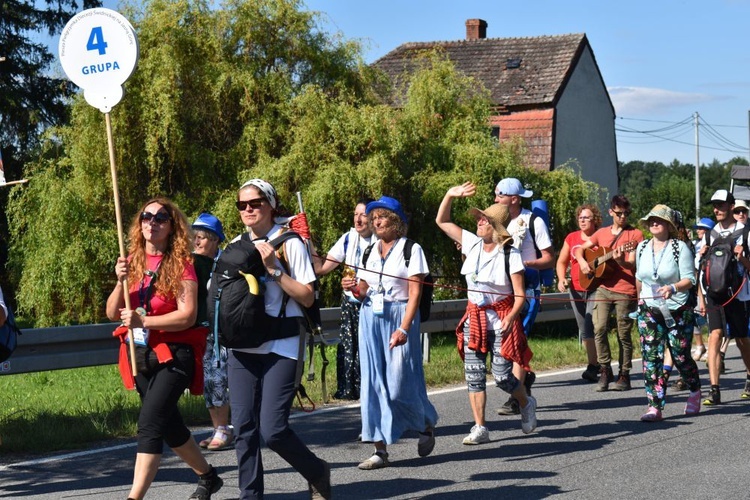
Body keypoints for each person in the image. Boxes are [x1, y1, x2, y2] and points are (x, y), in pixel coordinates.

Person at [106, 198, 223, 500]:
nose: (152, 222)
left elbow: (187, 314)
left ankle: (134, 497)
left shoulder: (182, 264)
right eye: (146, 216)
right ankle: (208, 477)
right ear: (139, 223)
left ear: (173, 227)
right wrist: (120, 282)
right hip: (142, 355)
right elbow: (110, 313)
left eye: (161, 217)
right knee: (170, 426)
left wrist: (144, 320)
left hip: (176, 353)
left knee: (149, 424)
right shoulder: (131, 261)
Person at [227, 179, 331, 499]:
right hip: (242, 345)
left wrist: (273, 269)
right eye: (241, 205)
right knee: (243, 429)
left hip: (282, 344)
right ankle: (251, 496)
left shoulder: (290, 243)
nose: (248, 210)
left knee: (272, 430)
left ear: (271, 205)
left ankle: (317, 472)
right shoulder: (235, 244)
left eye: (255, 203)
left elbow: (308, 297)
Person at [435, 182, 537, 445]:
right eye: (479, 219)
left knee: (503, 375)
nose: (479, 222)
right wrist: (449, 194)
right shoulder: (471, 243)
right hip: (475, 317)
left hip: (501, 317)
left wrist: (511, 317)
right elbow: (442, 221)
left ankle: (525, 402)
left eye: (484, 220)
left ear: (495, 226)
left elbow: (519, 295)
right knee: (473, 372)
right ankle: (480, 427)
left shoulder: (509, 254)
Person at [344, 195, 438, 470]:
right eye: (373, 218)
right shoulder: (369, 251)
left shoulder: (411, 249)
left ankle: (425, 423)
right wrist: (353, 287)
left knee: (399, 385)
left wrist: (404, 328)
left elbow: (415, 294)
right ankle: (379, 449)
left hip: (400, 316)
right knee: (372, 383)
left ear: (396, 221)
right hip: (370, 316)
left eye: (382, 217)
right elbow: (363, 290)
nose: (376, 222)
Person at [634, 205, 700, 421]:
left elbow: (690, 280)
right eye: (651, 219)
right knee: (651, 357)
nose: (654, 223)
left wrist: (672, 288)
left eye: (659, 220)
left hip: (677, 309)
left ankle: (694, 389)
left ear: (668, 226)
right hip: (649, 310)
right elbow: (640, 278)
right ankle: (655, 405)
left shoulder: (679, 248)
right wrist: (639, 301)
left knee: (680, 356)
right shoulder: (642, 247)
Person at [494, 177, 553, 415]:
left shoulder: (533, 221)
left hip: (526, 290)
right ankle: (524, 380)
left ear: (514, 199)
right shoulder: (494, 220)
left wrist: (526, 265)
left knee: (517, 340)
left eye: (500, 196)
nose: (495, 199)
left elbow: (549, 257)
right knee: (507, 342)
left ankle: (517, 398)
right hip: (501, 291)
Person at [574, 195, 644, 392]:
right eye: (619, 213)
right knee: (599, 327)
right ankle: (605, 369)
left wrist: (620, 260)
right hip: (603, 288)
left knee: (623, 333)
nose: (622, 217)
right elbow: (580, 250)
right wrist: (583, 264)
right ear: (611, 212)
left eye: (626, 214)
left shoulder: (635, 235)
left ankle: (624, 374)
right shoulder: (602, 233)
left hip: (625, 289)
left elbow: (631, 263)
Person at [313, 197, 377, 400]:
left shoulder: (381, 241)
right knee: (349, 348)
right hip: (350, 303)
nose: (358, 220)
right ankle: (349, 389)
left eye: (363, 215)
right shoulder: (348, 238)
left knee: (370, 349)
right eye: (355, 214)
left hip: (373, 303)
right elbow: (321, 268)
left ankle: (371, 389)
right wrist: (307, 241)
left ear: (373, 218)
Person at [697, 189, 750, 406]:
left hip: (738, 294)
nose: (716, 209)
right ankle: (714, 389)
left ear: (730, 206)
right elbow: (701, 270)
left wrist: (742, 258)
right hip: (714, 294)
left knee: (742, 340)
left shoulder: (745, 233)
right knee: (714, 336)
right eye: (714, 205)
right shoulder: (709, 235)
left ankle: (749, 377)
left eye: (721, 205)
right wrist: (701, 256)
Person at [191, 213, 234, 451]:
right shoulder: (193, 263)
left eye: (202, 238)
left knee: (218, 378)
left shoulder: (224, 263)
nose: (197, 242)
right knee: (209, 380)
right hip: (202, 331)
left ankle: (223, 429)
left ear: (216, 240)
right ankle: (218, 427)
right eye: (195, 237)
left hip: (221, 331)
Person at [556, 204, 602, 382]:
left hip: (596, 288)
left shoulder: (600, 236)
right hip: (575, 288)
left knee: (593, 325)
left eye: (586, 218)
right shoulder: (572, 237)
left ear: (595, 220)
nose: (582, 220)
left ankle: (598, 365)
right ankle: (594, 364)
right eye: (580, 218)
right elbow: (561, 261)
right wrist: (561, 279)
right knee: (584, 328)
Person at [689, 217, 715, 362]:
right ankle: (700, 346)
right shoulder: (695, 245)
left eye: (702, 228)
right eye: (698, 228)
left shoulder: (714, 245)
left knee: (711, 320)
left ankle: (713, 349)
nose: (698, 230)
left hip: (709, 287)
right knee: (695, 317)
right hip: (696, 287)